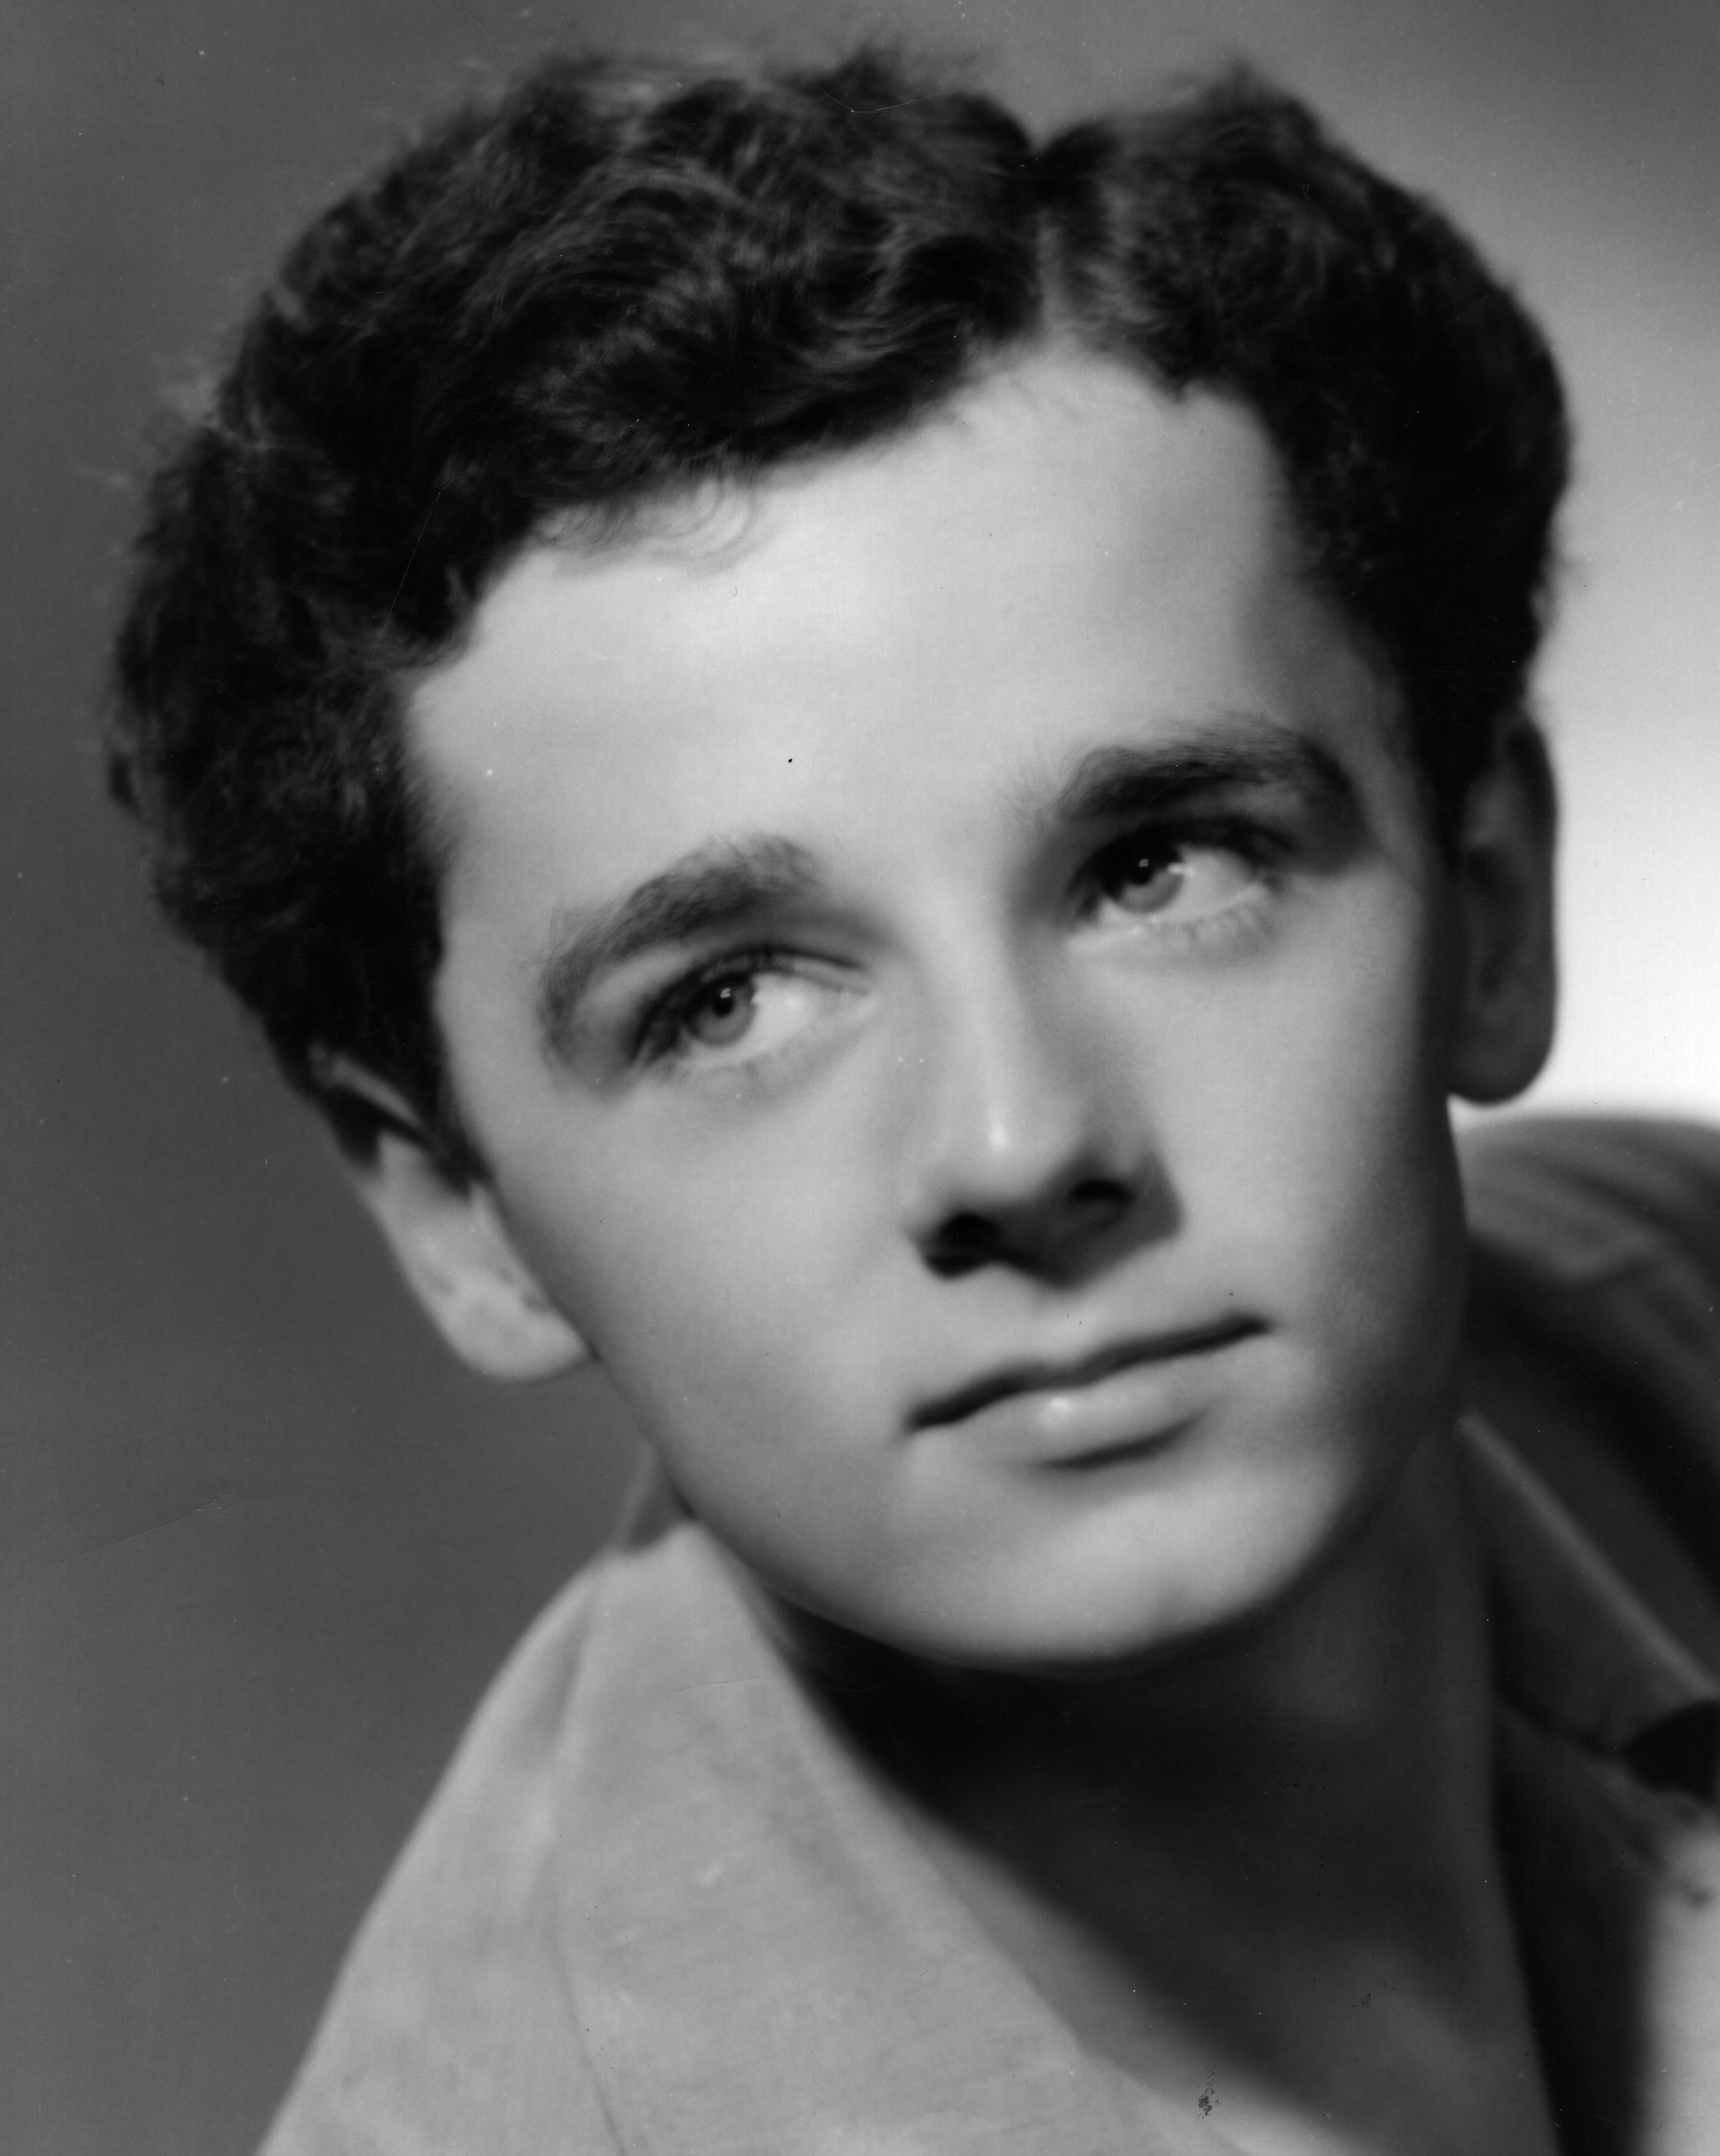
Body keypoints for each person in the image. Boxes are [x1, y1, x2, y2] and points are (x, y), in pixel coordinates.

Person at [107, 44, 1720, 2156]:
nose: (1020, 1147)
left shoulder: (1673, 1303)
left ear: (1489, 909)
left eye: (1163, 866)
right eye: (727, 1002)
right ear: (460, 1215)